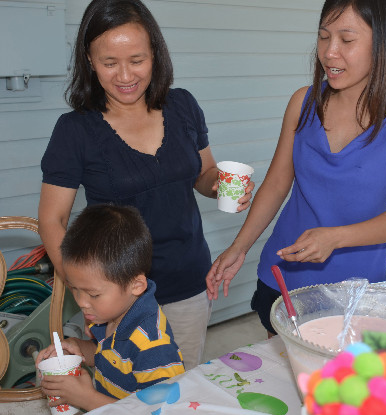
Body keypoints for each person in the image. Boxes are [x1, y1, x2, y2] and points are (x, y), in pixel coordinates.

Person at [38, 0, 253, 370]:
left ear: (155, 54)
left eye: (137, 60)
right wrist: (85, 290)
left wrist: (222, 185)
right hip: (118, 296)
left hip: (188, 280)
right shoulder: (75, 131)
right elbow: (51, 221)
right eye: (110, 63)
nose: (125, 76)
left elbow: (204, 174)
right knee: (120, 386)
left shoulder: (183, 106)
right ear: (89, 60)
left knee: (181, 384)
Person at [206, 0, 386, 335]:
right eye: (324, 37)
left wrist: (335, 238)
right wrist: (239, 247)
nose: (329, 52)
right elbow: (276, 184)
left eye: (347, 39)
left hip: (356, 292)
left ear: (384, 44)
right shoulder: (304, 101)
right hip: (283, 278)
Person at [35, 204, 185, 410]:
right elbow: (107, 354)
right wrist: (78, 348)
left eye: (93, 294)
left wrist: (86, 398)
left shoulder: (153, 347)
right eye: (75, 289)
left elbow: (158, 414)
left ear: (136, 286)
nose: (81, 302)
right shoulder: (108, 313)